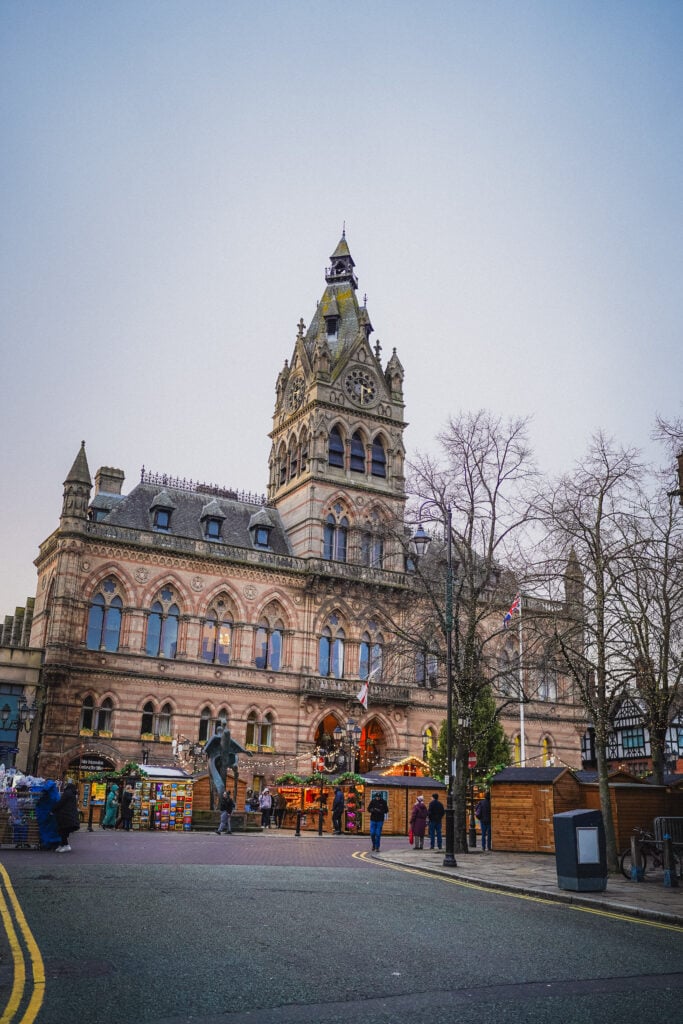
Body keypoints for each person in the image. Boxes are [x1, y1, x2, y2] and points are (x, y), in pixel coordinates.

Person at [53, 782, 80, 853]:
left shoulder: (67, 793)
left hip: (65, 816)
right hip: (69, 816)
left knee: (63, 830)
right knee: (63, 830)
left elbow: (61, 803)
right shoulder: (72, 794)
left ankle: (66, 845)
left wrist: (53, 810)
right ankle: (63, 845)